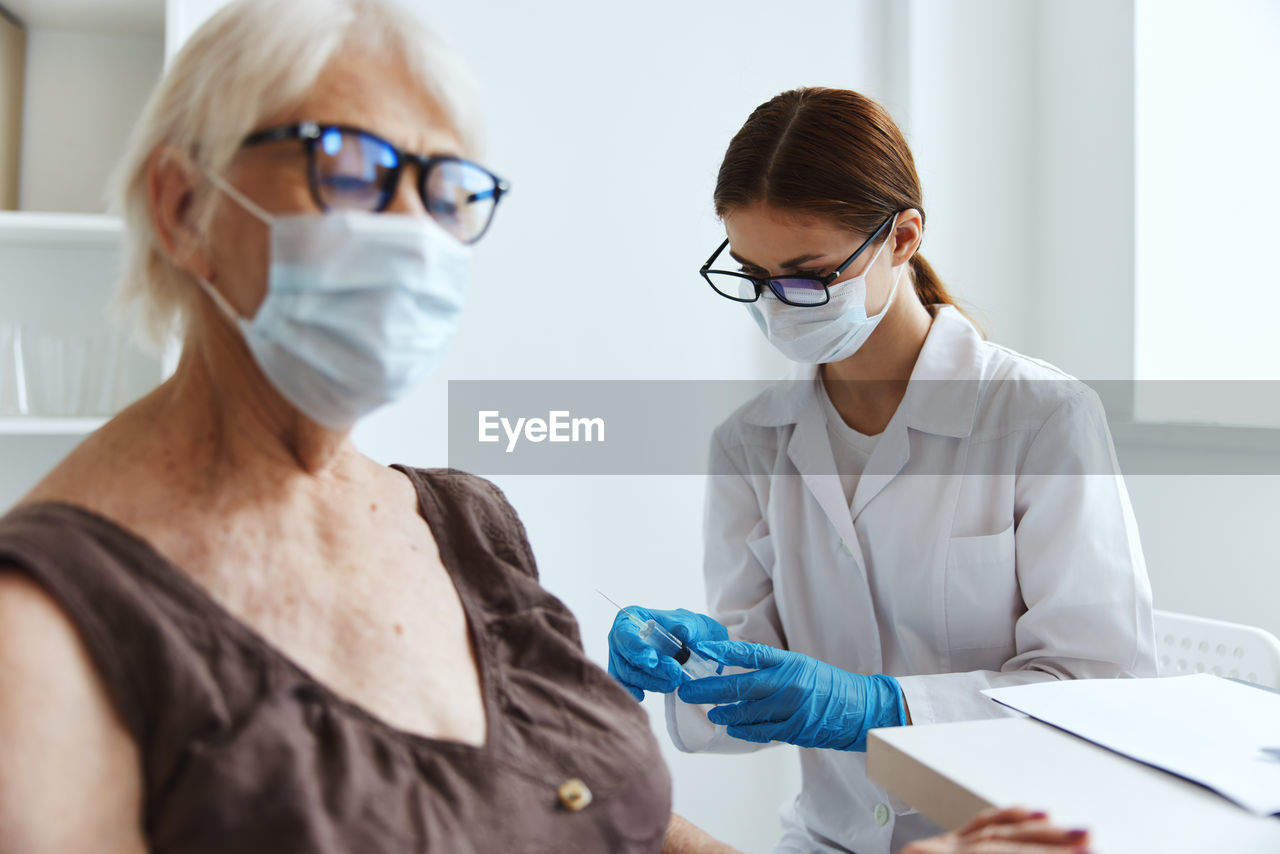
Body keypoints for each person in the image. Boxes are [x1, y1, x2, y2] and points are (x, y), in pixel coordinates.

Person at [0, 1, 734, 851]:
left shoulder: (466, 525)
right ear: (184, 207)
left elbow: (586, 814)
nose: (413, 236)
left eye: (446, 191)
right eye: (350, 167)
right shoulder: (46, 627)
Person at [607, 87, 1154, 854]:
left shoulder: (1040, 416)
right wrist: (691, 661)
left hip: (1010, 836)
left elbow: (1105, 696)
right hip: (829, 839)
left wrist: (883, 708)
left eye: (808, 275)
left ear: (902, 237)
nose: (777, 307)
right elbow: (743, 695)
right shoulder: (749, 442)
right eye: (753, 277)